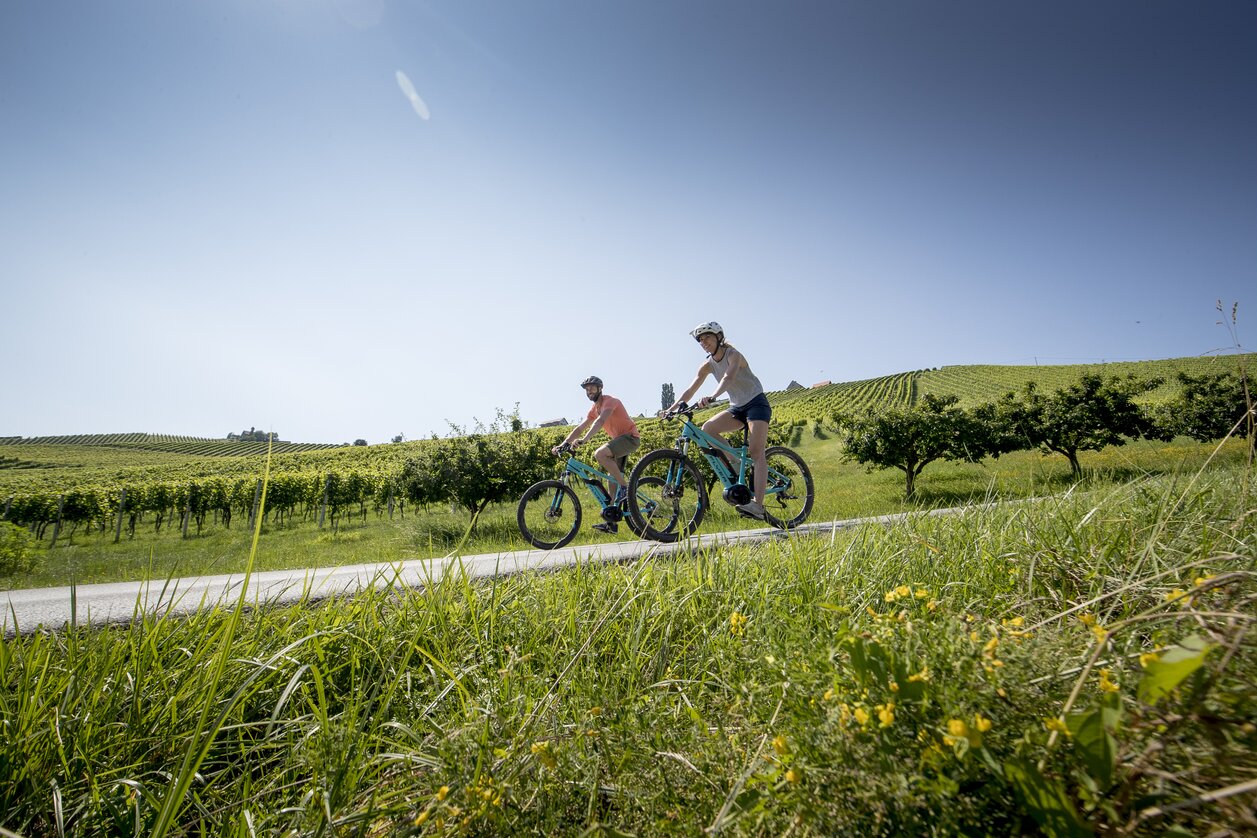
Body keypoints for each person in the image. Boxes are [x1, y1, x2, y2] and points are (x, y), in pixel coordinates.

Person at [664, 321, 772, 520]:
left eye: (707, 337)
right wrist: (670, 409)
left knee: (757, 452)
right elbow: (691, 389)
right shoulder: (707, 364)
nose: (704, 342)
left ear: (719, 337)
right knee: (708, 429)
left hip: (756, 403)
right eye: (700, 340)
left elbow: (728, 378)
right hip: (737, 407)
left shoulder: (733, 354)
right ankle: (735, 461)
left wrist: (712, 397)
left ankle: (758, 505)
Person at [553, 375, 641, 534]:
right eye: (586, 390)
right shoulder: (594, 409)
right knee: (611, 478)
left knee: (600, 454)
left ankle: (625, 488)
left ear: (600, 388)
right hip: (619, 440)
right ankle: (612, 523)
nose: (589, 391)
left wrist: (585, 440)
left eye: (592, 388)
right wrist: (563, 444)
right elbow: (579, 428)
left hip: (630, 438)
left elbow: (600, 421)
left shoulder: (610, 401)